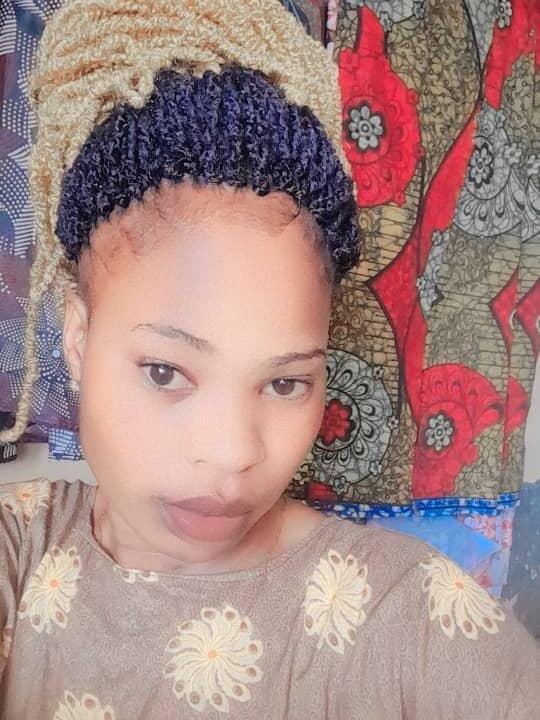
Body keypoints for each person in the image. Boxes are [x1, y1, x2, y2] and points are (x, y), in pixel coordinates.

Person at [0, 1, 538, 717]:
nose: (233, 454)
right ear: (77, 338)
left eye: (285, 382)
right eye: (165, 372)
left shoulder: (408, 618)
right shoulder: (18, 550)